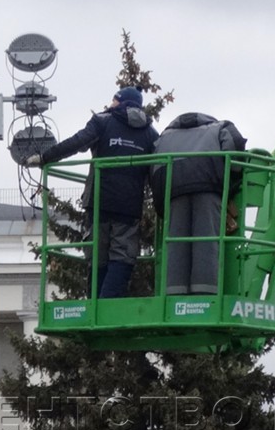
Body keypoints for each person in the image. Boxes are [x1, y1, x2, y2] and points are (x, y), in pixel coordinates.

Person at [26, 87, 157, 299]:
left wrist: (45, 158)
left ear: (118, 101)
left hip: (100, 203)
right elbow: (158, 171)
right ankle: (106, 305)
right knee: (122, 257)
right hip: (130, 207)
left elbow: (76, 142)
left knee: (97, 255)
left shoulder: (103, 122)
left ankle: (96, 306)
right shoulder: (150, 133)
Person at [148, 112, 247, 294]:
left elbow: (153, 171)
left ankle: (174, 294)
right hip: (208, 189)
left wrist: (161, 205)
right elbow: (236, 151)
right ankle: (205, 294)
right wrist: (230, 184)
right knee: (206, 240)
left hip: (174, 193)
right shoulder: (220, 127)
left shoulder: (164, 137)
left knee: (176, 242)